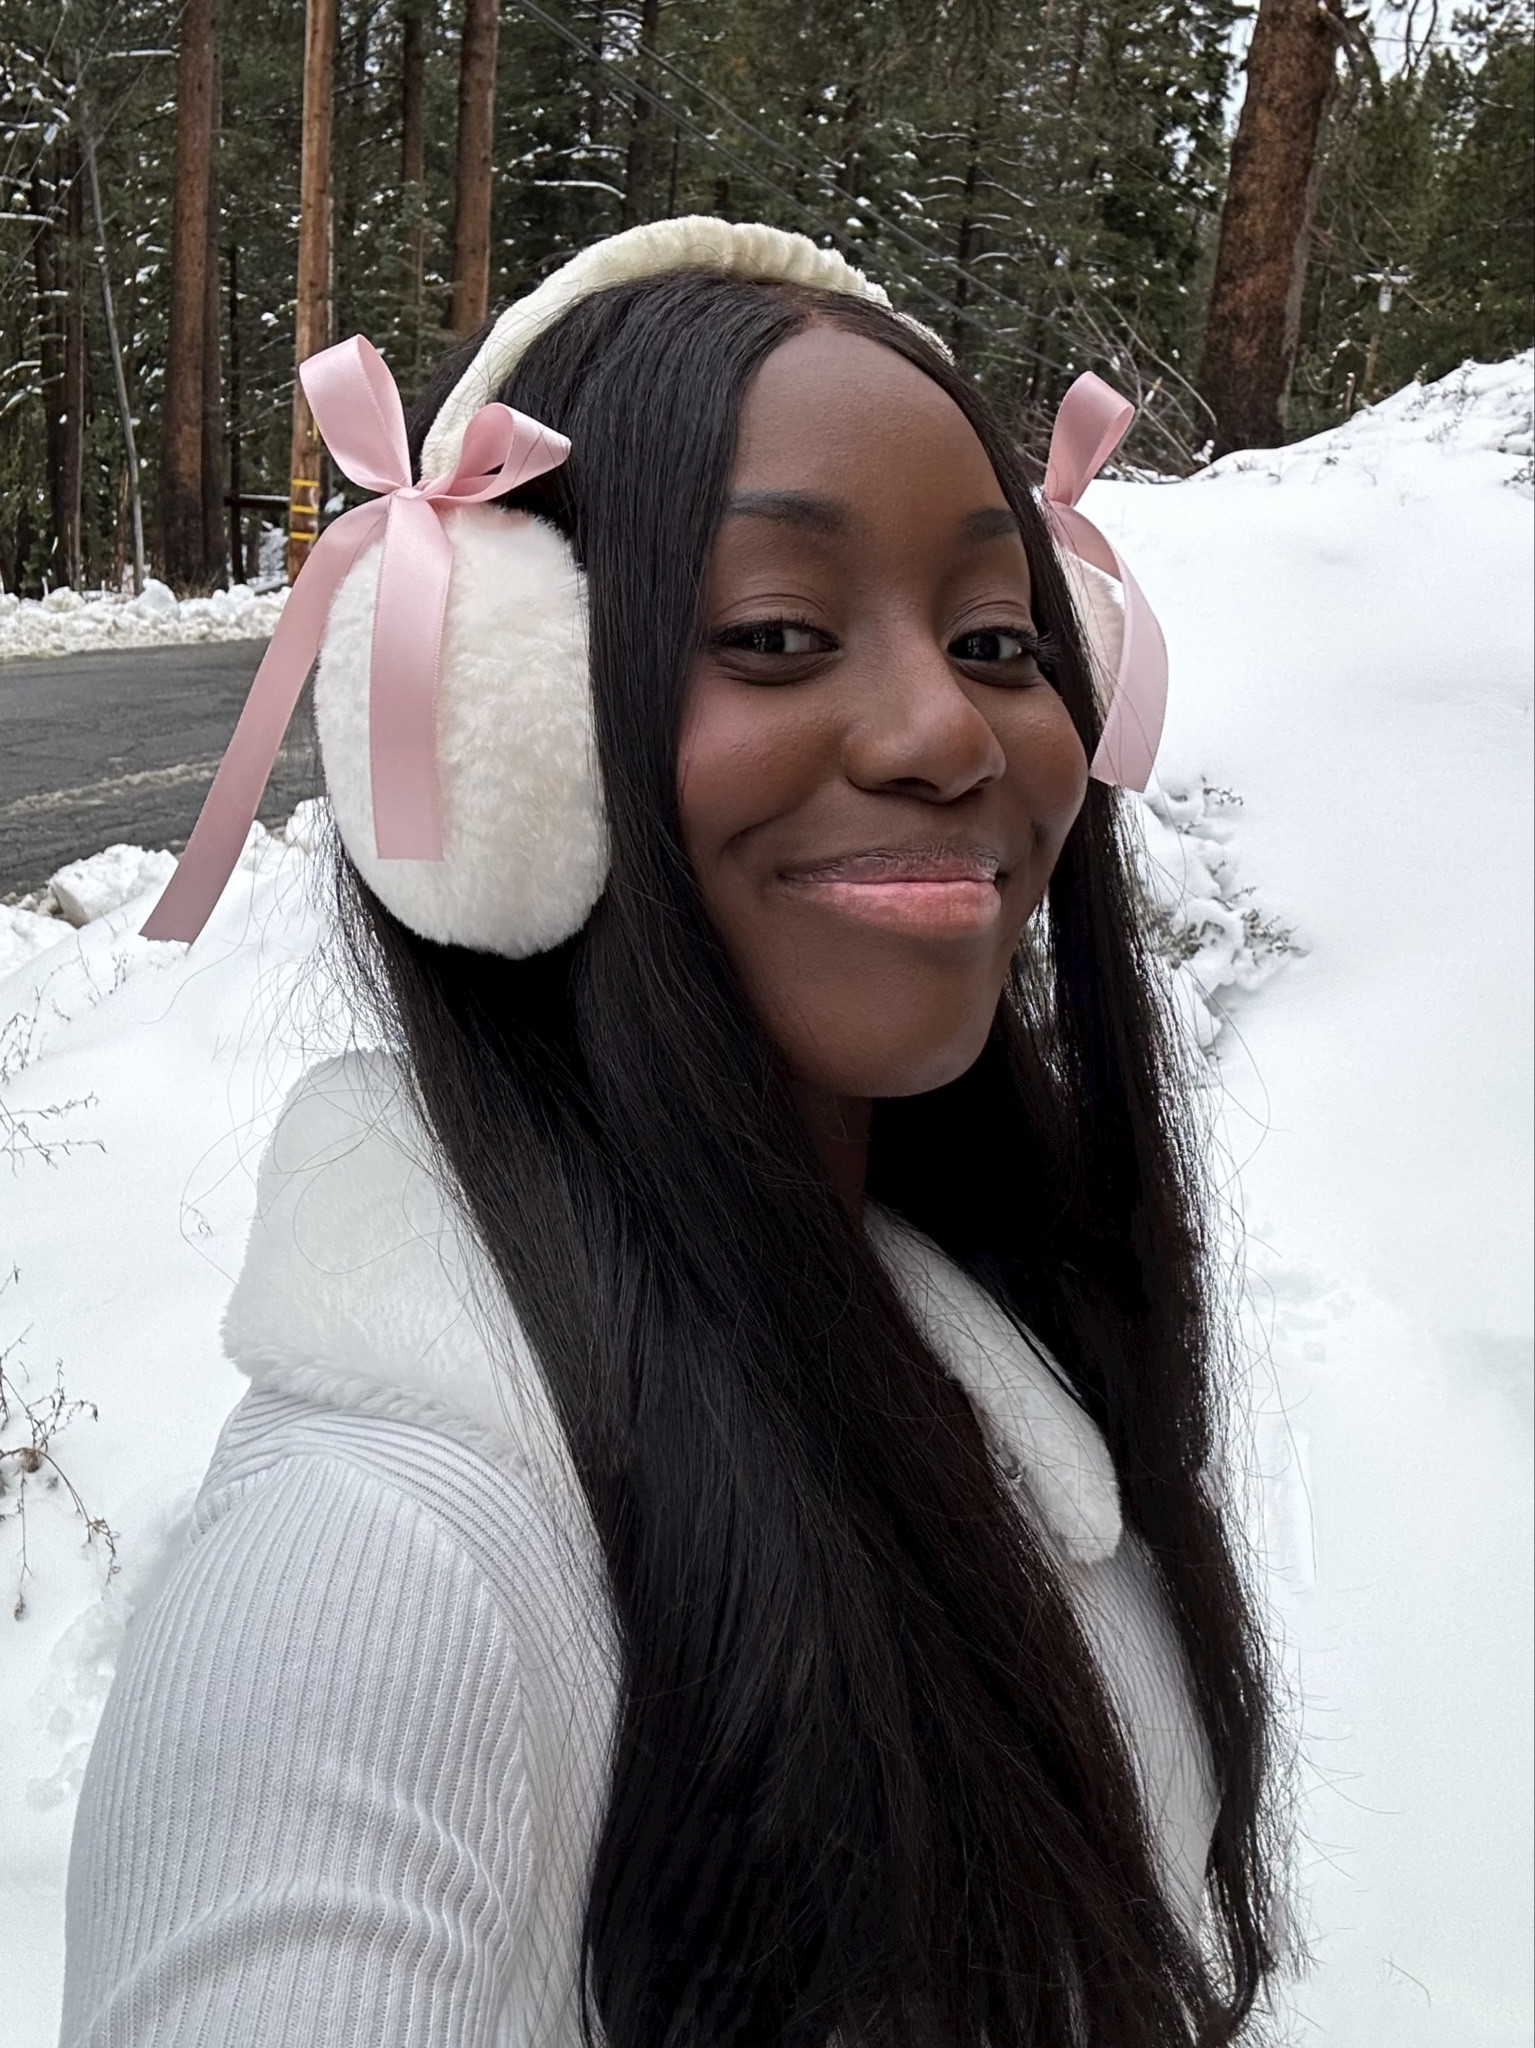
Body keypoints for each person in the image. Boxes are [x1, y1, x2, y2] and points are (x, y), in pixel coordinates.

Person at [59, 219, 1281, 2047]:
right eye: (777, 635)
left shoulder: (960, 1311)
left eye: (999, 638)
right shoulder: (381, 1563)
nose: (949, 731)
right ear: (506, 730)